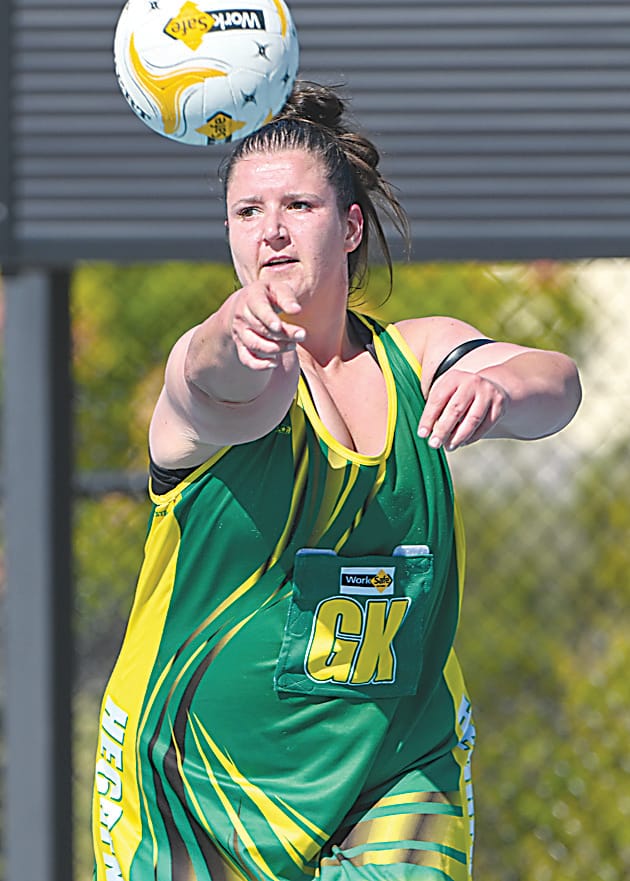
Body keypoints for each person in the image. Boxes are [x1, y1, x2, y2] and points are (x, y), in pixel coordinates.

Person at [92, 80, 581, 881]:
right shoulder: (217, 374)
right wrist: (234, 336)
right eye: (248, 213)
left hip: (390, 767)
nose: (272, 232)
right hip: (199, 786)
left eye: (299, 208)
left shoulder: (417, 355)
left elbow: (557, 383)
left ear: (350, 226)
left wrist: (505, 389)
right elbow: (210, 374)